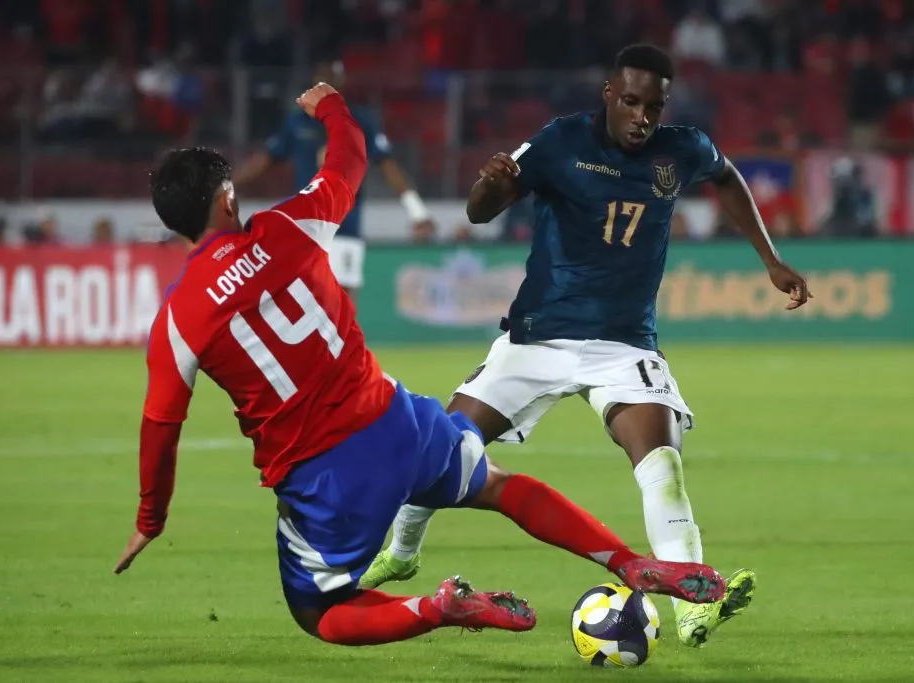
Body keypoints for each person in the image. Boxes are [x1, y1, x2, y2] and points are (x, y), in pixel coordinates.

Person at [113, 82, 726, 648]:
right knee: (499, 486)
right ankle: (626, 562)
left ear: (172, 224)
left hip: (324, 475)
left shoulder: (177, 318)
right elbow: (348, 160)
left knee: (317, 611)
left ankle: (437, 608)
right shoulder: (288, 227)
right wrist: (331, 105)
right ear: (229, 197)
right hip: (399, 423)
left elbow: (159, 426)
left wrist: (150, 518)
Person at [364, 44, 813, 648]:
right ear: (608, 94)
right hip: (537, 338)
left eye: (653, 107)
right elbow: (479, 211)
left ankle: (692, 607)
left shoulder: (683, 149)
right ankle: (402, 553)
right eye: (630, 102)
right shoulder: (560, 141)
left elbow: (727, 178)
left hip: (624, 347)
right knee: (442, 450)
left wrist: (771, 259)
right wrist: (489, 186)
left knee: (662, 465)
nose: (642, 118)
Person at [233, 60, 435, 304]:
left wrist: (417, 211)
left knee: (343, 304)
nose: (327, 84)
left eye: (333, 79)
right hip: (305, 227)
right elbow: (265, 161)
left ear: (342, 84)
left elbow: (388, 165)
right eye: (322, 78)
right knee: (302, 302)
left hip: (345, 225)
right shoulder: (295, 123)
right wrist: (226, 189)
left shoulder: (360, 121)